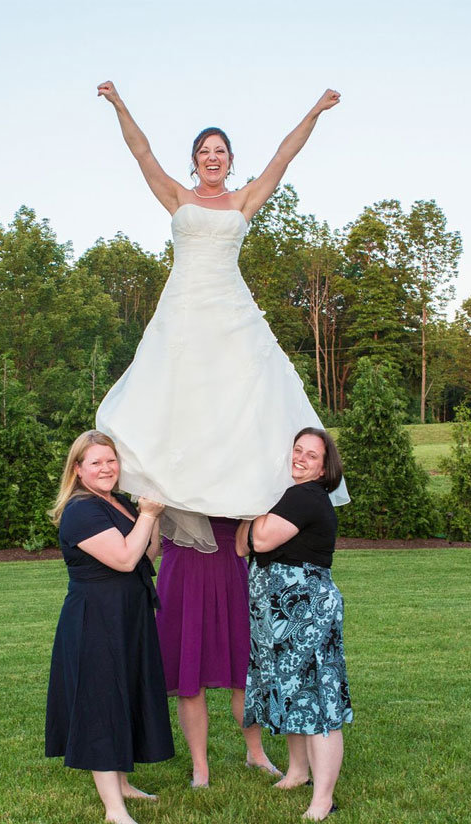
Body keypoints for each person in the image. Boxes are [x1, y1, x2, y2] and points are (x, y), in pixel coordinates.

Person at [95, 79, 349, 554]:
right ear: (195, 160)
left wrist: (315, 111)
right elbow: (142, 153)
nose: (213, 158)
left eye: (221, 151)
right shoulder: (177, 197)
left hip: (230, 309)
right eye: (205, 151)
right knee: (178, 397)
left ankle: (240, 499)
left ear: (230, 160)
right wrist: (120, 104)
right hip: (184, 311)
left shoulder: (243, 200)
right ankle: (174, 496)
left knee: (243, 398)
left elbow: (282, 158)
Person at [45, 430, 174, 824]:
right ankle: (113, 809)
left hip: (126, 614)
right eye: (95, 462)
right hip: (96, 618)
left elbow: (144, 556)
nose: (106, 468)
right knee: (102, 702)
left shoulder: (111, 502)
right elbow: (121, 558)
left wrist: (151, 518)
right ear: (78, 469)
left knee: (124, 693)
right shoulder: (81, 510)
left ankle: (122, 783)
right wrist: (149, 516)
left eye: (111, 460)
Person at [236, 428, 353, 821]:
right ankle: (299, 771)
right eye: (296, 450)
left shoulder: (305, 495)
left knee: (316, 699)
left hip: (305, 612)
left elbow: (261, 540)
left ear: (324, 469)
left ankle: (323, 800)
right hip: (281, 615)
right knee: (292, 691)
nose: (300, 458)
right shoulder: (285, 496)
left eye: (311, 455)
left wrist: (256, 521)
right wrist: (257, 520)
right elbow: (241, 544)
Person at [155, 517, 281, 787]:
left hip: (230, 569)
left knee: (244, 673)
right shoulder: (167, 474)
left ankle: (256, 753)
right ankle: (200, 767)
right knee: (189, 677)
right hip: (181, 574)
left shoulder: (239, 474)